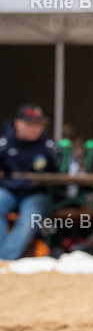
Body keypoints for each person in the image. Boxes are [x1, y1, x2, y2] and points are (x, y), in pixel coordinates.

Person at [0, 104, 59, 260]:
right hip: (10, 190)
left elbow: (61, 172)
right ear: (17, 123)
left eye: (38, 124)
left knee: (29, 220)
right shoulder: (5, 142)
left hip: (36, 192)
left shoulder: (48, 144)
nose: (34, 128)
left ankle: (4, 259)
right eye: (30, 124)